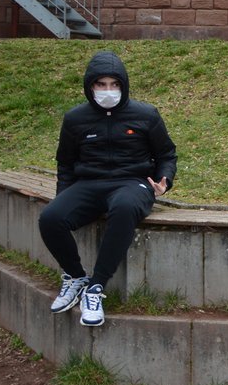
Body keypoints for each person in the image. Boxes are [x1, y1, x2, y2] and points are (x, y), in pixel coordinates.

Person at [39, 51, 177, 327]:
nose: (107, 91)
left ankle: (96, 288)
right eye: (100, 85)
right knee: (50, 218)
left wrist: (164, 180)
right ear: (90, 87)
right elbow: (65, 164)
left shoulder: (145, 114)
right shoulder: (75, 118)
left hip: (133, 182)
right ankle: (76, 276)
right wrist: (63, 198)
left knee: (124, 207)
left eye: (114, 84)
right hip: (89, 183)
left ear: (123, 85)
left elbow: (166, 154)